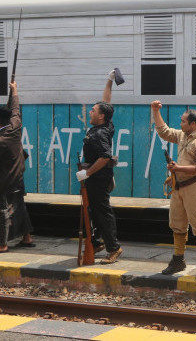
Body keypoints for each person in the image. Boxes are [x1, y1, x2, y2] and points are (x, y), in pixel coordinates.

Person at [151, 101, 196, 279]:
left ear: (193, 124)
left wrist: (178, 169)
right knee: (177, 225)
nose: (180, 124)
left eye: (183, 121)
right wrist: (155, 111)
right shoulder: (183, 135)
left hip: (194, 187)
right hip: (179, 187)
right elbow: (164, 131)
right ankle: (178, 260)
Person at [0, 81, 34, 253]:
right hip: (18, 176)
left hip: (3, 181)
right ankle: (26, 237)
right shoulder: (15, 126)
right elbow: (15, 108)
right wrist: (15, 90)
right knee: (18, 206)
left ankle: (1, 245)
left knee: (0, 210)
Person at [75, 70, 122, 264]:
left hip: (98, 177)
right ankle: (97, 242)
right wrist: (109, 81)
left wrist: (87, 172)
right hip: (98, 176)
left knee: (102, 211)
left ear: (101, 117)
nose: (90, 112)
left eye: (93, 110)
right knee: (93, 210)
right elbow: (106, 102)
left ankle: (114, 248)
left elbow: (105, 156)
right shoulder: (106, 124)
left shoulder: (100, 134)